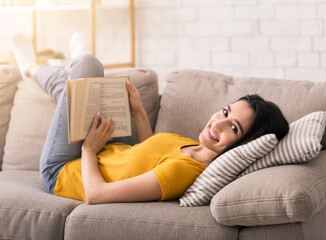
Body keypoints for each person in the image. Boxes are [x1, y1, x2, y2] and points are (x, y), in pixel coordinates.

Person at [9, 33, 289, 205]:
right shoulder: (192, 144)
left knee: (86, 66)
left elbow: (96, 195)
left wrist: (88, 149)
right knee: (81, 85)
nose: (218, 123)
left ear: (243, 145)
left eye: (234, 128)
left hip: (67, 171)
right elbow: (148, 150)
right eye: (225, 112)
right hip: (108, 148)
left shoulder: (184, 172)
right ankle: (65, 73)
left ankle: (32, 67)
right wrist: (138, 111)